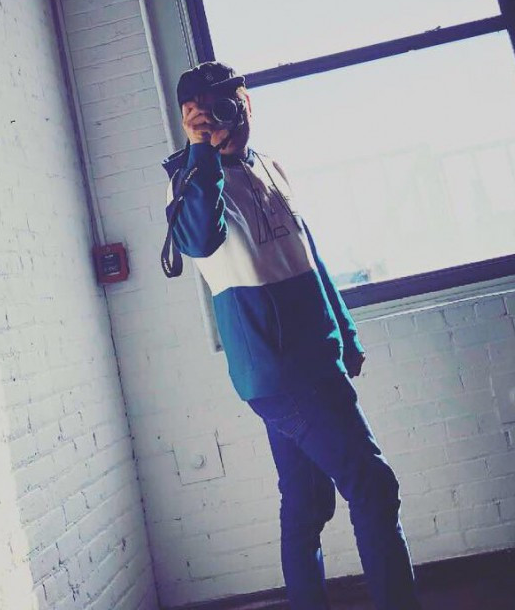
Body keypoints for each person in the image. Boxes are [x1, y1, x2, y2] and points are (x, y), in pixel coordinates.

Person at [161, 61, 421, 610]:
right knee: (374, 487)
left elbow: (308, 254)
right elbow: (200, 240)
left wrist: (345, 330)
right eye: (213, 110)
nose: (230, 118)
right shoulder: (188, 181)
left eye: (234, 104)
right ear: (190, 116)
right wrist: (201, 150)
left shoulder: (270, 166)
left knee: (307, 503)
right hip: (278, 368)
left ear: (247, 102)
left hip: (315, 358)